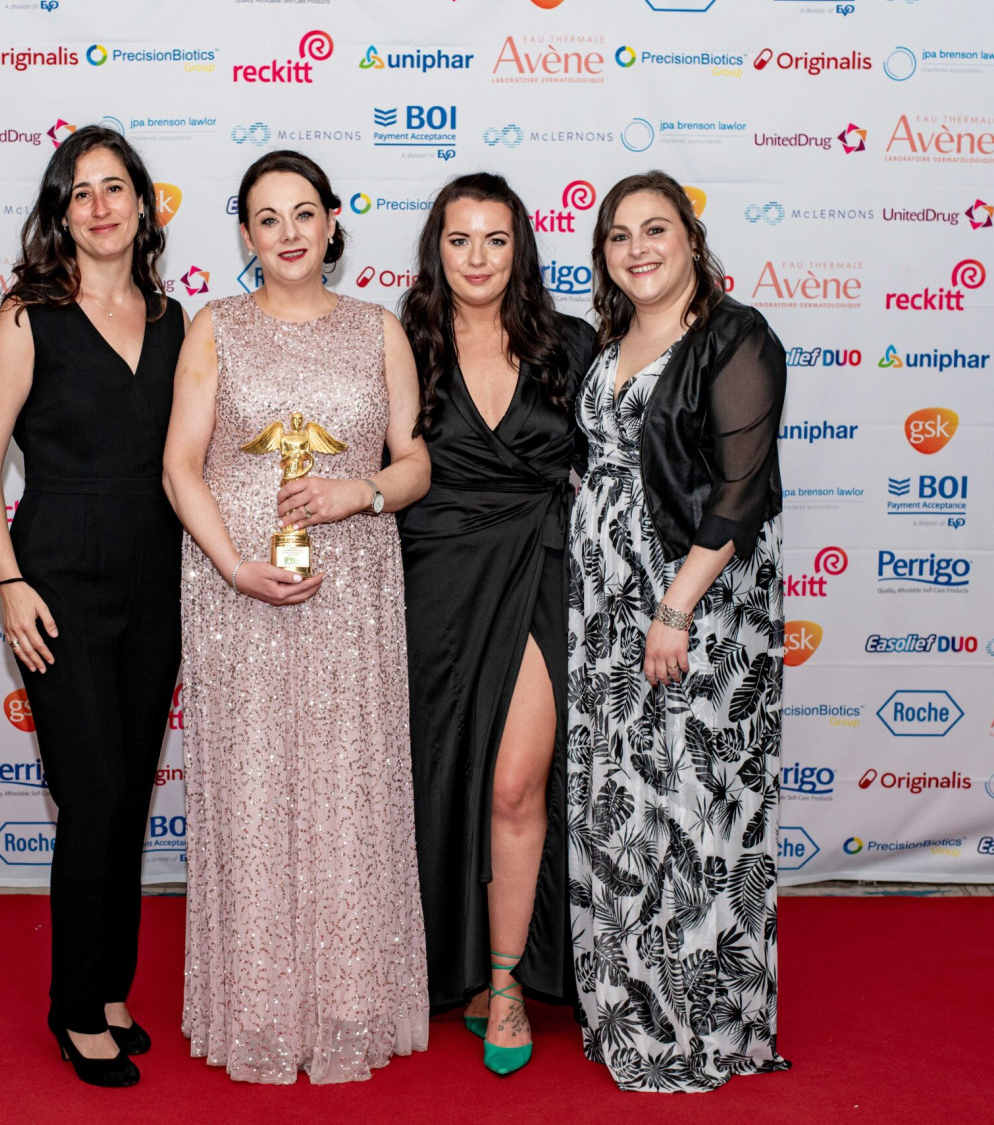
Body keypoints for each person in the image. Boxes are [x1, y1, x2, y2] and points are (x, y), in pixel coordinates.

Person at [162, 150, 432, 1084]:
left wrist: (357, 492)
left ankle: (354, 999)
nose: (287, 232)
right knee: (256, 790)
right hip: (237, 598)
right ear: (245, 234)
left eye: (303, 213)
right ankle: (262, 1007)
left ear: (331, 225)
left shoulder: (377, 329)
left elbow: (414, 463)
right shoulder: (215, 328)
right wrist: (235, 566)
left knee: (348, 789)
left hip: (351, 595)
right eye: (267, 217)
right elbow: (179, 468)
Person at [0, 125, 185, 1088]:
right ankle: (71, 1006)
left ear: (144, 204)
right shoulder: (30, 316)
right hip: (55, 589)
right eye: (78, 192)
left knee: (128, 795)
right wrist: (10, 584)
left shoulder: (176, 319)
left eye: (114, 188)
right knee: (89, 793)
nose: (98, 206)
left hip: (159, 582)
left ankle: (110, 986)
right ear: (62, 214)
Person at [566, 170, 791, 1092]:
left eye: (655, 230)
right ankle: (630, 1009)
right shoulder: (616, 338)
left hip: (696, 608)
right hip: (607, 608)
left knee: (698, 803)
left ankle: (703, 1024)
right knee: (622, 799)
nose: (638, 249)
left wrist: (674, 607)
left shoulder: (735, 336)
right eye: (619, 236)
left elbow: (741, 490)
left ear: (691, 240)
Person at [396, 173, 593, 1076]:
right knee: (443, 779)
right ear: (436, 249)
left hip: (540, 571)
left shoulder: (574, 345)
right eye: (459, 239)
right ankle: (454, 967)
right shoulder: (401, 345)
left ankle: (507, 981)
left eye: (496, 240)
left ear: (521, 249)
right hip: (434, 581)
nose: (477, 258)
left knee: (517, 784)